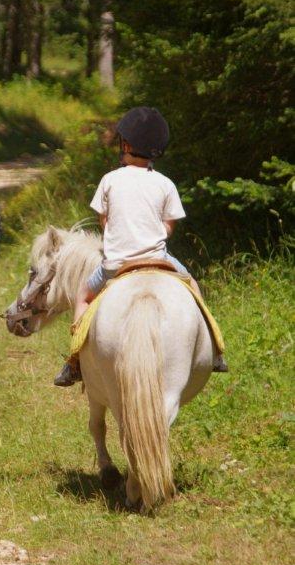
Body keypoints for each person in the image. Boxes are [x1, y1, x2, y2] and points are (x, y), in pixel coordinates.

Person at [54, 106, 228, 387]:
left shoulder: (110, 180)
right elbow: (169, 227)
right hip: (159, 259)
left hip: (115, 265)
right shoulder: (165, 184)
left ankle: (73, 361)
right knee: (193, 287)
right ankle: (216, 349)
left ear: (127, 145)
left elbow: (104, 221)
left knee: (83, 297)